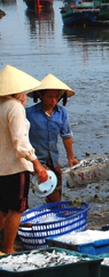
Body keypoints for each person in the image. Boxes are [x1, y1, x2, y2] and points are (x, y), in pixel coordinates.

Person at [0, 65, 48, 254]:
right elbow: (20, 142)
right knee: (16, 210)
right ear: (18, 91)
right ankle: (9, 248)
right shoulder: (15, 108)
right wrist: (36, 163)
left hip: (1, 168)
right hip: (15, 167)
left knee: (2, 209)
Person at [26, 74, 79, 203]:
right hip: (33, 160)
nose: (53, 101)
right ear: (40, 96)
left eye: (56, 97)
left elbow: (66, 136)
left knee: (55, 193)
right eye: (49, 97)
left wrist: (71, 157)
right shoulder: (28, 114)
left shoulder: (62, 113)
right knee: (24, 194)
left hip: (53, 159)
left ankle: (54, 214)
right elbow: (21, 138)